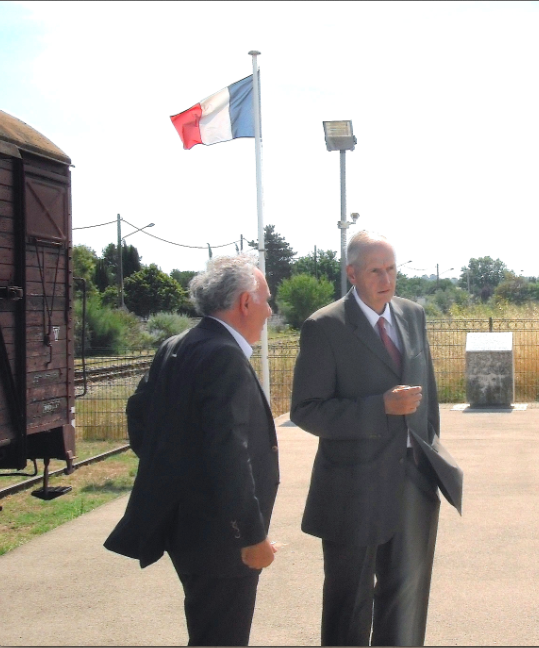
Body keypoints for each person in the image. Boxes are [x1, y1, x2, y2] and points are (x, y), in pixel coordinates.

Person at [290, 230, 463, 647]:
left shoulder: (413, 315)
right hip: (353, 488)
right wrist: (378, 407)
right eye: (374, 271)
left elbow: (429, 398)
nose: (386, 279)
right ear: (352, 273)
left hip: (413, 484)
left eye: (391, 269)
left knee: (406, 603)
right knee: (348, 604)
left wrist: (430, 451)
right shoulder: (324, 326)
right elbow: (306, 410)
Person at [104, 254, 279, 647]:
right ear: (245, 303)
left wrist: (177, 475)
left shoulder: (176, 344)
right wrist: (251, 538)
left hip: (188, 529)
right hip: (222, 537)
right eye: (267, 300)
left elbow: (140, 418)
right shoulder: (224, 357)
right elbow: (229, 454)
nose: (270, 310)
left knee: (208, 632)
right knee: (222, 638)